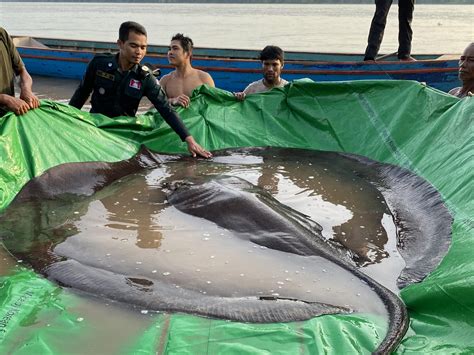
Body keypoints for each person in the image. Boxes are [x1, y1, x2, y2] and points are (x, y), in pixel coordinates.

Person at [69, 22, 211, 158]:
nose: (139, 52)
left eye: (143, 47)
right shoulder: (99, 64)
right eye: (134, 46)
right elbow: (81, 94)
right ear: (120, 44)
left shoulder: (145, 77)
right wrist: (66, 118)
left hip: (123, 136)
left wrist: (189, 140)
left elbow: (165, 109)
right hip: (96, 129)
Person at [159, 33, 215, 108]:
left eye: (175, 48)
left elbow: (215, 105)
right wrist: (172, 101)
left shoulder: (204, 78)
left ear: (187, 53)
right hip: (173, 119)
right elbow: (153, 107)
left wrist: (234, 98)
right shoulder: (165, 80)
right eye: (169, 49)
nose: (170, 52)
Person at [0, 27, 40, 116]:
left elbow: (22, 71)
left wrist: (26, 89)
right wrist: (5, 99)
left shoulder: (2, 34)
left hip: (8, 116)